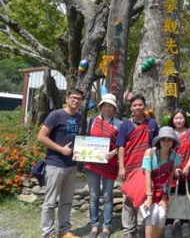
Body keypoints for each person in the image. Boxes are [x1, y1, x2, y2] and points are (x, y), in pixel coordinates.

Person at [37, 88, 84, 238]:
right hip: (55, 164)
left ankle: (64, 231)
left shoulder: (79, 117)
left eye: (79, 99)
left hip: (71, 165)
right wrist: (60, 149)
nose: (76, 100)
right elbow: (41, 136)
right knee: (50, 202)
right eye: (73, 97)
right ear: (67, 98)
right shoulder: (55, 115)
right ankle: (48, 233)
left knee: (67, 201)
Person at [116, 94, 159, 238]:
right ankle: (128, 231)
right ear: (130, 108)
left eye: (140, 105)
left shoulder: (152, 124)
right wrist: (121, 167)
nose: (137, 107)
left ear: (145, 106)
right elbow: (121, 146)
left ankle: (142, 229)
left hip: (146, 168)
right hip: (129, 167)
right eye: (134, 105)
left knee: (144, 198)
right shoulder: (125, 125)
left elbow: (157, 146)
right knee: (128, 199)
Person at [84, 93, 122, 238]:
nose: (107, 108)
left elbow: (122, 144)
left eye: (110, 106)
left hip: (109, 163)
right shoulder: (91, 121)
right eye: (105, 105)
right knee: (93, 196)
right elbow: (85, 140)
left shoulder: (119, 124)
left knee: (107, 196)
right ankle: (94, 227)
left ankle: (106, 227)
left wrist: (114, 152)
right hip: (92, 164)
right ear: (101, 106)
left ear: (114, 109)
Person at [141, 126, 181, 238]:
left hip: (163, 191)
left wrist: (164, 198)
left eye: (170, 139)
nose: (166, 142)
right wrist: (149, 197)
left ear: (173, 142)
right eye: (164, 139)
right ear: (159, 140)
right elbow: (147, 175)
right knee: (152, 215)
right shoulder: (150, 153)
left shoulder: (175, 156)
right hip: (149, 189)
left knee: (162, 216)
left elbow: (169, 178)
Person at [164, 109, 190, 237]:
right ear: (172, 120)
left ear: (185, 119)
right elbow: (164, 150)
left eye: (181, 118)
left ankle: (184, 222)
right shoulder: (169, 132)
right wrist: (173, 169)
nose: (178, 120)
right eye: (176, 118)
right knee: (170, 195)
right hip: (170, 170)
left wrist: (188, 166)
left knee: (184, 195)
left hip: (186, 170)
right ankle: (169, 223)